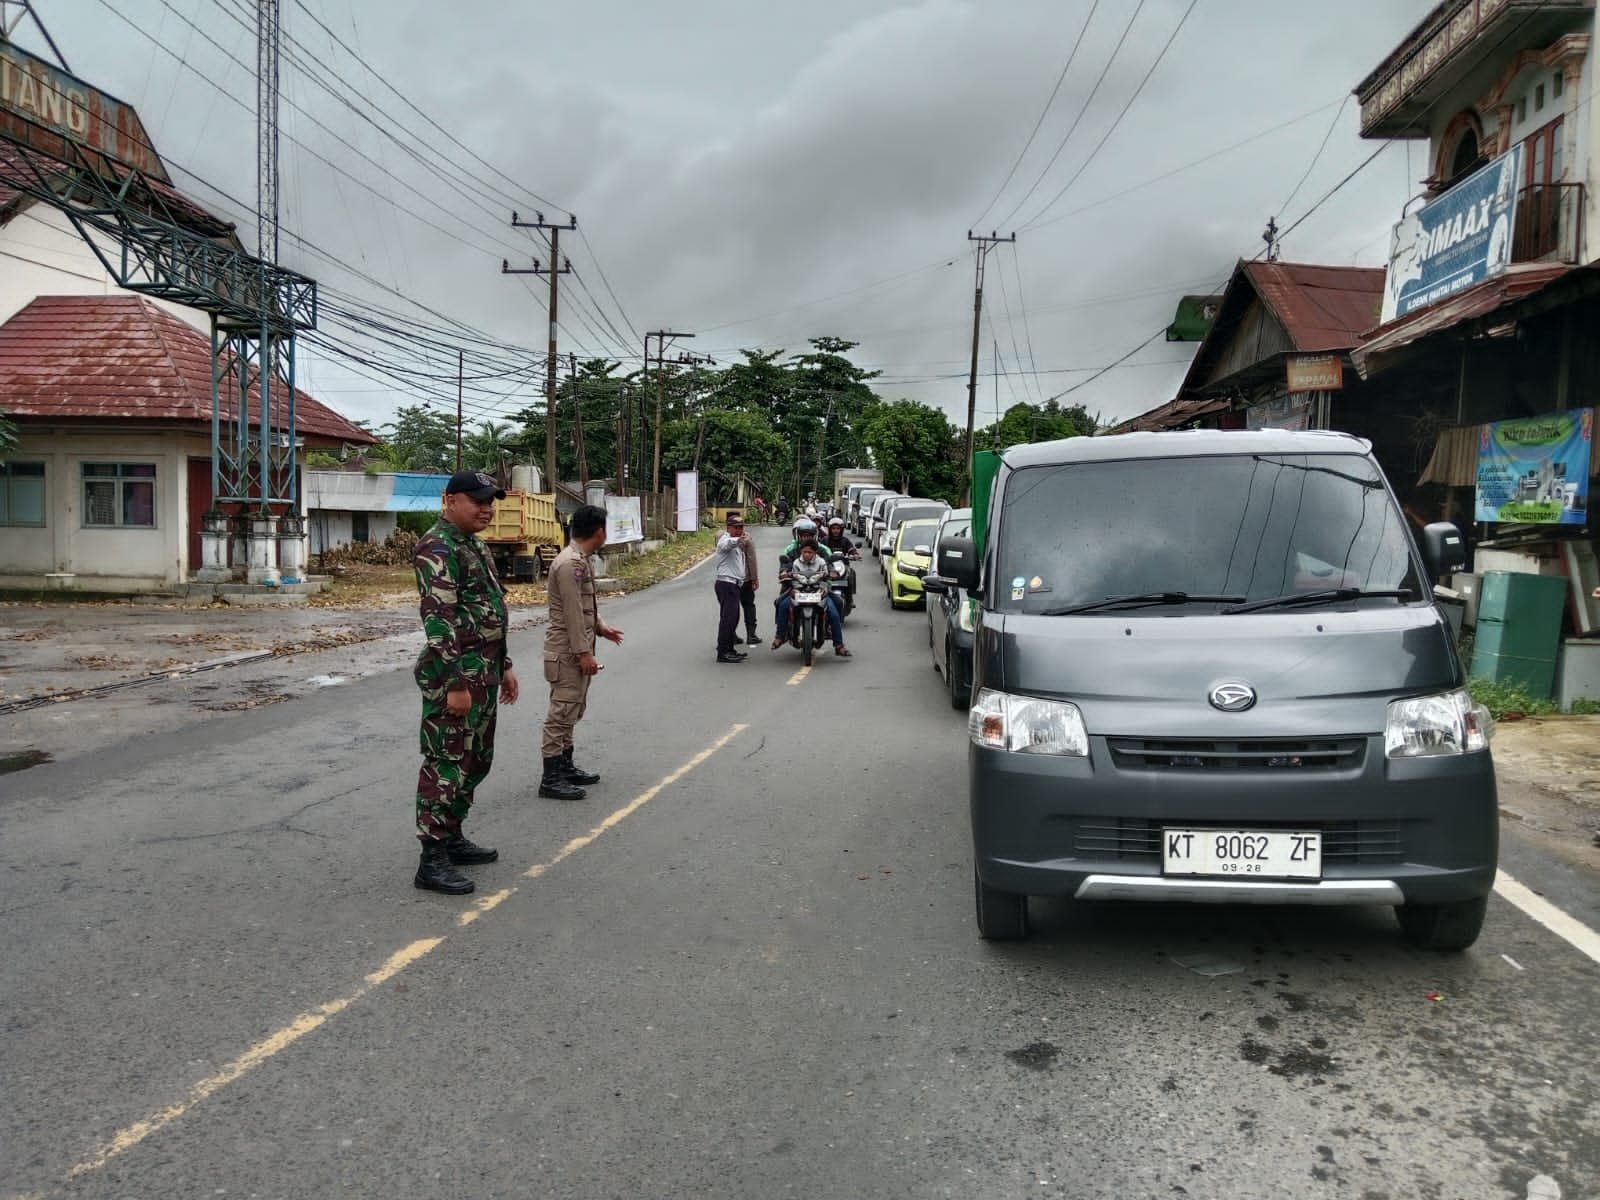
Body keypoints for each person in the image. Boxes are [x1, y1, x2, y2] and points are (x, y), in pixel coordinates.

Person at [411, 469, 520, 896]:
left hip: (483, 671)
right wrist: (456, 682)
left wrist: (504, 665)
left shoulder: (472, 544)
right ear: (449, 499)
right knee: (447, 763)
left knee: (477, 760)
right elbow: (439, 620)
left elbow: (490, 610)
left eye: (490, 501)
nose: (486, 509)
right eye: (477, 501)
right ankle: (431, 857)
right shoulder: (437, 546)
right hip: (454, 676)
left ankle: (452, 835)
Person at [541, 504, 624, 800]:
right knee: (561, 712)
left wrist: (601, 628)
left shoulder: (579, 560)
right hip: (567, 652)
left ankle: (565, 767)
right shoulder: (570, 564)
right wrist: (583, 654)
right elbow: (573, 613)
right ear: (599, 531)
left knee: (573, 708)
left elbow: (585, 608)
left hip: (575, 649)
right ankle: (550, 778)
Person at [773, 541, 850, 657]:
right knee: (781, 605)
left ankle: (838, 645)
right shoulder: (796, 562)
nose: (807, 554)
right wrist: (791, 582)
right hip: (799, 591)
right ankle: (780, 636)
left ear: (815, 552)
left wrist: (829, 578)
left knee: (835, 610)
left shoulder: (822, 562)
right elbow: (793, 578)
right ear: (801, 552)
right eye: (804, 552)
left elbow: (826, 579)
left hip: (819, 591)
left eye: (810, 552)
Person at [713, 512, 749, 664]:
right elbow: (725, 544)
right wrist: (737, 540)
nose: (739, 530)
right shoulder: (726, 539)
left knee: (733, 619)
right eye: (736, 527)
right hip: (726, 584)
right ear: (728, 528)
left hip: (734, 585)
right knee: (728, 619)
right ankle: (723, 652)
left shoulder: (737, 543)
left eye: (741, 527)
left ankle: (730, 649)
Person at [736, 512, 762, 646]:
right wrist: (754, 578)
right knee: (748, 606)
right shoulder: (747, 540)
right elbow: (751, 560)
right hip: (744, 579)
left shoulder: (722, 539)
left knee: (731, 609)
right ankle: (751, 634)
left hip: (730, 580)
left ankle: (732, 634)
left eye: (741, 527)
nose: (739, 530)